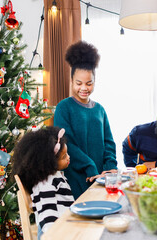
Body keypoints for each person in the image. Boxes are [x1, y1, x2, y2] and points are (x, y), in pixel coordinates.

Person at [54, 41, 118, 199]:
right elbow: (66, 144)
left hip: (101, 177)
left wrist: (110, 167)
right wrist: (89, 166)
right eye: (79, 83)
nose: (84, 88)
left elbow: (109, 142)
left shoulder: (100, 109)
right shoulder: (64, 107)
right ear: (71, 82)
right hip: (76, 176)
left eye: (89, 83)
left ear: (94, 83)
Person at [11, 127, 74, 239]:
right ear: (49, 161)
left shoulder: (54, 176)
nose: (68, 158)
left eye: (67, 154)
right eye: (64, 157)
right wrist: (55, 235)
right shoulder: (46, 184)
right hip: (53, 233)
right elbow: (47, 213)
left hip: (63, 228)